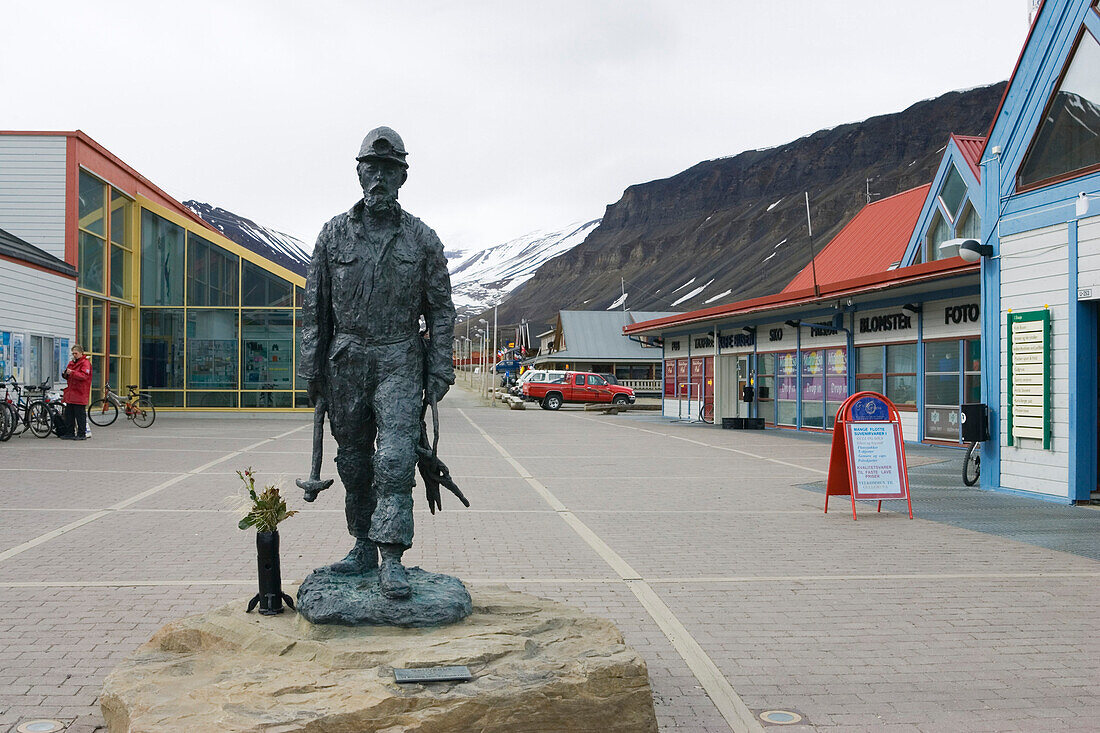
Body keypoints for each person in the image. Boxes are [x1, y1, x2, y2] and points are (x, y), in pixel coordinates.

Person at [298, 127, 456, 599]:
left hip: (400, 357)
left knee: (394, 459)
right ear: (360, 171)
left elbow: (442, 311)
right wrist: (312, 369)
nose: (380, 179)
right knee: (353, 460)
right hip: (346, 359)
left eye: (390, 170)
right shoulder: (331, 234)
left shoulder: (422, 239)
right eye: (373, 168)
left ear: (402, 176)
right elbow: (315, 309)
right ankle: (363, 545)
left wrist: (440, 368)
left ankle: (391, 556)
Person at [60, 345, 92, 441]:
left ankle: (81, 433)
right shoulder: (71, 363)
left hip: (80, 392)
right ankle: (70, 432)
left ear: (81, 353)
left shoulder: (85, 363)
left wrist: (72, 372)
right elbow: (68, 376)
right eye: (73, 353)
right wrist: (65, 374)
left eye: (76, 353)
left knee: (80, 415)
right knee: (69, 414)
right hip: (71, 392)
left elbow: (84, 376)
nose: (74, 355)